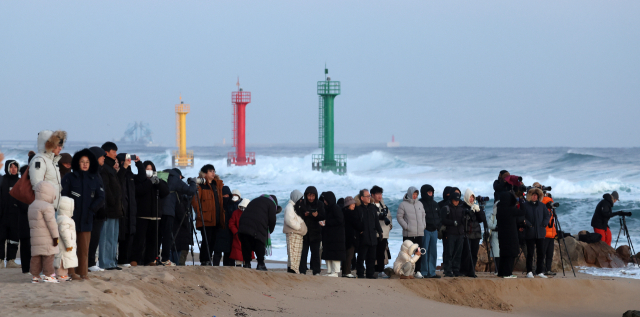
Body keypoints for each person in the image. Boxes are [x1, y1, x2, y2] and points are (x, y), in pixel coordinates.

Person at [60, 148, 105, 280]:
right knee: (70, 246)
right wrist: (68, 211)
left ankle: (83, 273)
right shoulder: (69, 177)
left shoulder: (95, 178)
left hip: (87, 218)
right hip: (71, 218)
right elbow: (63, 195)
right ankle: (71, 272)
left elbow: (101, 197)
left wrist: (92, 209)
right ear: (77, 163)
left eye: (87, 162)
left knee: (84, 248)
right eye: (82, 161)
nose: (85, 164)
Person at [133, 161, 169, 266]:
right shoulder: (140, 180)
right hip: (142, 215)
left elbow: (165, 192)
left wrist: (158, 182)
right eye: (147, 169)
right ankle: (135, 259)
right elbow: (139, 191)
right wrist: (150, 182)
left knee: (152, 241)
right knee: (139, 240)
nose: (149, 171)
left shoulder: (158, 180)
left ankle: (149, 260)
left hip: (156, 216)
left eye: (151, 169)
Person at [98, 142, 125, 271]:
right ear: (106, 152)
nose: (115, 154)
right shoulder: (105, 169)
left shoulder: (111, 168)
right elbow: (106, 189)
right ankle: (105, 262)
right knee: (106, 237)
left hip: (116, 209)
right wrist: (113, 202)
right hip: (109, 209)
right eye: (114, 151)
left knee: (113, 237)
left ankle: (112, 262)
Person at [162, 168, 197, 266]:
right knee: (167, 236)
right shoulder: (176, 179)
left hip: (157, 211)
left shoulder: (162, 177)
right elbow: (191, 191)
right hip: (169, 212)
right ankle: (165, 259)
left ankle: (155, 258)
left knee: (160, 236)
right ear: (179, 176)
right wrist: (193, 183)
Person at [191, 164, 224, 266]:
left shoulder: (216, 185)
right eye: (211, 171)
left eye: (214, 171)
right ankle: (204, 260)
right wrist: (200, 214)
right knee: (206, 239)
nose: (213, 173)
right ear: (205, 173)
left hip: (216, 218)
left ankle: (209, 258)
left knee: (213, 240)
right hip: (205, 218)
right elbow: (195, 201)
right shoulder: (201, 186)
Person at [115, 153, 144, 267]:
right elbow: (119, 179)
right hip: (122, 209)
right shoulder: (118, 174)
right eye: (124, 161)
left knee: (129, 235)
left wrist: (139, 163)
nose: (127, 162)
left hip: (131, 210)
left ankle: (125, 260)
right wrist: (124, 167)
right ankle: (119, 260)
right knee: (120, 236)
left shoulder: (131, 176)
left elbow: (141, 177)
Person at [28, 181, 60, 283]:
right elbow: (52, 223)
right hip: (47, 237)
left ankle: (35, 276)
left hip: (35, 237)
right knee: (48, 256)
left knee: (36, 256)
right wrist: (55, 237)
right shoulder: (47, 206)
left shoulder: (32, 205)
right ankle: (49, 275)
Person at [238, 195, 280, 270]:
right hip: (257, 224)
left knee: (246, 243)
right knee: (259, 242)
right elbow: (272, 220)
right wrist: (269, 231)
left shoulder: (256, 199)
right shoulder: (272, 203)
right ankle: (260, 264)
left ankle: (247, 264)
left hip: (243, 223)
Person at [29, 130, 67, 211]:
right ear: (50, 144)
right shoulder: (40, 160)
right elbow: (37, 186)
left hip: (52, 207)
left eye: (61, 145)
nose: (60, 148)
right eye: (58, 145)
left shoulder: (52, 161)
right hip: (45, 209)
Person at [0, 160, 26, 268]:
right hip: (2, 216)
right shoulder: (2, 180)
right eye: (11, 167)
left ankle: (11, 260)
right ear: (7, 168)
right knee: (1, 238)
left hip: (16, 216)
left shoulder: (20, 182)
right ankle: (0, 260)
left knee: (14, 239)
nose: (14, 169)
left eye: (15, 167)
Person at [396, 186, 426, 279]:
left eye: (416, 194)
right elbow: (399, 217)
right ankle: (406, 272)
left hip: (419, 232)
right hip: (408, 233)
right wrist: (406, 226)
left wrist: (423, 225)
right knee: (407, 254)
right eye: (413, 194)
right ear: (409, 194)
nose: (415, 196)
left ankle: (418, 271)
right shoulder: (403, 204)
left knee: (418, 252)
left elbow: (423, 216)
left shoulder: (420, 204)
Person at [522, 187, 551, 278]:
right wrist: (529, 224)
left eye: (536, 195)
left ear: (538, 197)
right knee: (530, 253)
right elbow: (522, 217)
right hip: (530, 233)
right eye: (533, 195)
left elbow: (547, 216)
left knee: (541, 253)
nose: (534, 197)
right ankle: (529, 271)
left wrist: (544, 224)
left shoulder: (542, 206)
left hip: (540, 233)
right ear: (530, 196)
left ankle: (539, 271)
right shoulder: (525, 205)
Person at [355, 189, 383, 279]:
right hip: (363, 236)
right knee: (361, 256)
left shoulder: (372, 207)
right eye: (367, 196)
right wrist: (359, 231)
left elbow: (376, 221)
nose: (369, 198)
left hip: (372, 235)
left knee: (371, 257)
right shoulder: (358, 208)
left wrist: (380, 231)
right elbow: (356, 222)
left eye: (369, 196)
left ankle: (370, 274)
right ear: (362, 198)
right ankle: (360, 273)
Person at [297, 186, 325, 275]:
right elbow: (298, 216)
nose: (311, 198)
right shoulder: (302, 204)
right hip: (304, 232)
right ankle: (302, 271)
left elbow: (323, 216)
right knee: (303, 253)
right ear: (306, 195)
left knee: (316, 254)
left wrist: (317, 216)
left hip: (316, 233)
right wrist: (304, 214)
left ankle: (316, 271)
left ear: (316, 196)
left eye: (313, 196)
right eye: (309, 195)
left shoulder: (320, 204)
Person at [496, 191, 525, 278]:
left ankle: (501, 272)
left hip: (502, 235)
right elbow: (523, 212)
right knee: (511, 254)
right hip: (511, 235)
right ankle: (507, 273)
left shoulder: (499, 209)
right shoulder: (511, 210)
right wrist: (521, 201)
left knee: (504, 254)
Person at [460, 188, 486, 278]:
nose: (471, 199)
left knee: (474, 253)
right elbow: (464, 219)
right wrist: (470, 211)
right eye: (470, 197)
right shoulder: (463, 207)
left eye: (473, 197)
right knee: (466, 253)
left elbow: (482, 219)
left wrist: (478, 211)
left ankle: (472, 271)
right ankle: (464, 270)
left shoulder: (476, 206)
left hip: (476, 234)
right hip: (467, 233)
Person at [87, 146, 106, 272]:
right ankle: (89, 263)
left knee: (95, 238)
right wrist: (93, 208)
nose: (104, 158)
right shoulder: (92, 172)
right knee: (91, 239)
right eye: (101, 156)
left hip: (99, 212)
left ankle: (92, 262)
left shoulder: (98, 172)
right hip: (93, 212)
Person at [441, 191, 466, 277]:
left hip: (460, 233)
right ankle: (447, 270)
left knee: (458, 253)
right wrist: (452, 222)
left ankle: (456, 270)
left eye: (458, 200)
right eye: (455, 200)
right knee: (449, 253)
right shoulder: (446, 208)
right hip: (450, 233)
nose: (456, 202)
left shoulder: (461, 209)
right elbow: (442, 220)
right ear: (451, 199)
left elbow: (462, 221)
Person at [320, 191, 345, 277]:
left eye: (326, 200)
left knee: (335, 254)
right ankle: (330, 271)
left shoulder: (335, 208)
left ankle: (335, 272)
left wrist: (326, 222)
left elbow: (340, 220)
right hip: (329, 236)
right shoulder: (327, 208)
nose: (324, 201)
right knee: (328, 253)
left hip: (336, 236)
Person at [419, 184, 441, 279]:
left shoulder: (435, 204)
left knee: (433, 252)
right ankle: (424, 272)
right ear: (424, 193)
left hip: (434, 231)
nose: (430, 194)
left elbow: (439, 216)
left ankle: (432, 272)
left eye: (431, 192)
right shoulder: (420, 203)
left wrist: (438, 226)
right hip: (425, 230)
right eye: (428, 192)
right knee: (424, 251)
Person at [370, 185, 392, 278]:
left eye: (381, 194)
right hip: (374, 233)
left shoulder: (384, 206)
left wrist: (389, 226)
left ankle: (381, 271)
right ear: (372, 195)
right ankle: (371, 271)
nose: (380, 196)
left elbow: (389, 218)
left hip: (384, 233)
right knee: (372, 253)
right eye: (378, 194)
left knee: (381, 253)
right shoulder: (370, 206)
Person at [211, 186, 237, 266]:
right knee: (217, 253)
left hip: (229, 232)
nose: (226, 197)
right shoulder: (217, 205)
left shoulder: (233, 205)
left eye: (227, 195)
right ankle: (214, 269)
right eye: (224, 195)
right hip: (219, 231)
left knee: (228, 254)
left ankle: (228, 271)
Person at [283, 190, 307, 274]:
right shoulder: (289, 207)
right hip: (293, 233)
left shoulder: (294, 207)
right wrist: (299, 227)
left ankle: (293, 269)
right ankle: (293, 270)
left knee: (296, 253)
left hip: (297, 234)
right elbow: (289, 220)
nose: (301, 200)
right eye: (300, 199)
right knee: (293, 252)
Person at [54, 197, 77, 281]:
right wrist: (69, 245)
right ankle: (60, 275)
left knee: (65, 260)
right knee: (62, 260)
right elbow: (64, 233)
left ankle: (63, 274)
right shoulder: (64, 220)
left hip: (63, 245)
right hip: (64, 246)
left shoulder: (61, 218)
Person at [229, 198, 253, 266]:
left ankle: (247, 270)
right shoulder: (235, 213)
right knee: (238, 258)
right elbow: (231, 223)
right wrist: (236, 232)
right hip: (237, 237)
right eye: (242, 207)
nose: (243, 209)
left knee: (247, 258)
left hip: (248, 237)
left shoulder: (252, 214)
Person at [18, 165, 32, 274]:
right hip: (24, 219)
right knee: (26, 244)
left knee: (26, 244)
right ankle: (26, 268)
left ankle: (27, 268)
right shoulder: (22, 187)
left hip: (25, 219)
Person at [341, 196, 358, 278]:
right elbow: (356, 224)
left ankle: (344, 272)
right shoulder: (350, 213)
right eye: (352, 204)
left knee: (346, 255)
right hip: (350, 236)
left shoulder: (343, 212)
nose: (354, 205)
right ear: (348, 205)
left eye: (354, 204)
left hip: (344, 236)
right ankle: (347, 272)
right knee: (349, 255)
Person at [541, 195, 556, 276]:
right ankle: (541, 270)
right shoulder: (544, 212)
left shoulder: (550, 212)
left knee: (549, 254)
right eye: (550, 203)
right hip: (545, 235)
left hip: (551, 235)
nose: (551, 205)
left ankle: (548, 269)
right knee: (543, 254)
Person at [486, 195, 500, 274]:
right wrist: (496, 227)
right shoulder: (492, 215)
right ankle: (497, 269)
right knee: (496, 254)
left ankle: (500, 269)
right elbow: (489, 224)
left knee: (501, 253)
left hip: (502, 235)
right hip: (494, 235)